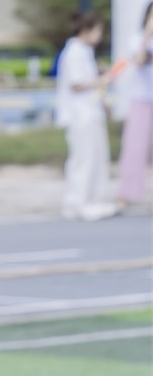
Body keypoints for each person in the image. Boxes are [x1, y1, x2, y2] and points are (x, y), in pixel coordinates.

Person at [57, 11, 116, 221]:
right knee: (83, 160)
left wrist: (104, 98)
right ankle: (77, 203)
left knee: (96, 158)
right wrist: (103, 80)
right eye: (98, 30)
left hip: (91, 112)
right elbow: (76, 84)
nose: (99, 35)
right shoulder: (74, 52)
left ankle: (93, 201)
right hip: (79, 115)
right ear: (86, 30)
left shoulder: (85, 52)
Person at [113, 1, 153, 207]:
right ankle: (127, 193)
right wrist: (147, 34)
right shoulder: (137, 39)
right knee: (134, 147)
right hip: (142, 99)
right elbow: (138, 60)